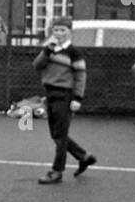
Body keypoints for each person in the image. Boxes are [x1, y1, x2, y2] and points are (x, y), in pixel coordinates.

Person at [33, 16, 95, 184]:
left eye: (62, 30)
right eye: (56, 30)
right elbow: (37, 65)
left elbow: (81, 76)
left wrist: (77, 98)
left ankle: (57, 171)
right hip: (50, 93)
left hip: (65, 95)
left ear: (69, 32)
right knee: (56, 134)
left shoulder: (74, 53)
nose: (58, 33)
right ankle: (84, 156)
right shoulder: (50, 49)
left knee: (60, 136)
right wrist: (47, 51)